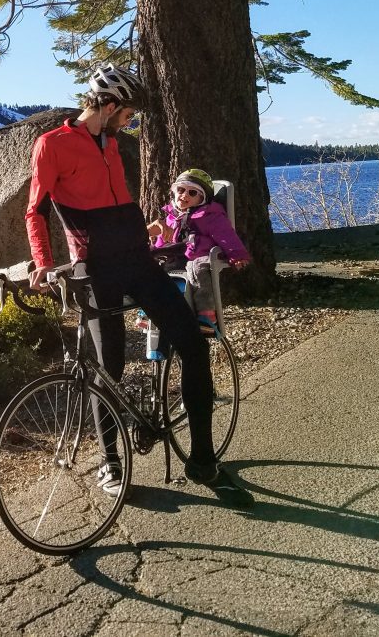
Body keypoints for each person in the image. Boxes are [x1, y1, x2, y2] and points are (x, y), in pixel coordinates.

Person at [25, 65, 253, 508]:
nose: (131, 121)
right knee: (107, 366)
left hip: (138, 261)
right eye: (128, 112)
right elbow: (36, 211)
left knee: (192, 341)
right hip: (95, 270)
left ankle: (203, 460)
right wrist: (43, 262)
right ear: (108, 106)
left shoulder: (111, 142)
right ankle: (111, 462)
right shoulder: (51, 145)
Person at [149, 168, 250, 333]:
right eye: (181, 190)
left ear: (202, 198)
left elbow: (227, 236)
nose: (184, 195)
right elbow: (163, 241)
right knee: (153, 272)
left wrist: (236, 254)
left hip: (199, 255)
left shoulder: (210, 216)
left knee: (197, 270)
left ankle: (206, 314)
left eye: (192, 193)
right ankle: (149, 312)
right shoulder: (171, 217)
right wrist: (157, 252)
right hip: (176, 257)